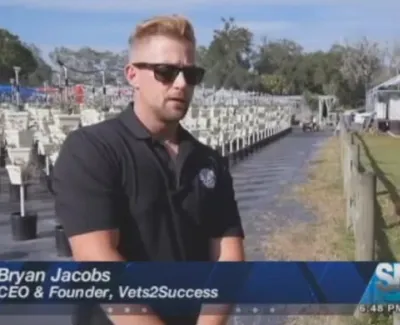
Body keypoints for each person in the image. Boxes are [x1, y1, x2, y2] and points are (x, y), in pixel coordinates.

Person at [52, 15, 245, 325]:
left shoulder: (208, 161)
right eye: (165, 72)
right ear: (132, 75)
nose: (181, 84)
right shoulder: (93, 149)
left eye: (190, 73)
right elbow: (97, 259)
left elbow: (228, 259)